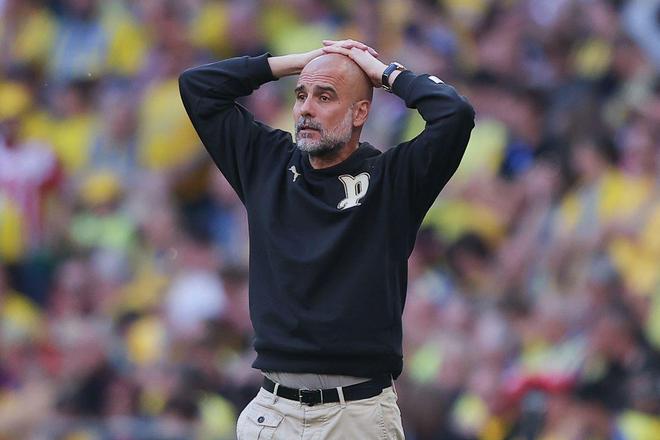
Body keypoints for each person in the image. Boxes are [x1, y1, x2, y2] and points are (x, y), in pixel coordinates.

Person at [179, 39, 475, 439]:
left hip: (356, 414)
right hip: (274, 411)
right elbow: (197, 85)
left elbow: (455, 114)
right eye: (301, 95)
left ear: (360, 112)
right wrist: (301, 62)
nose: (306, 108)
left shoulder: (393, 179)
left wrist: (384, 74)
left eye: (325, 96)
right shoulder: (267, 162)